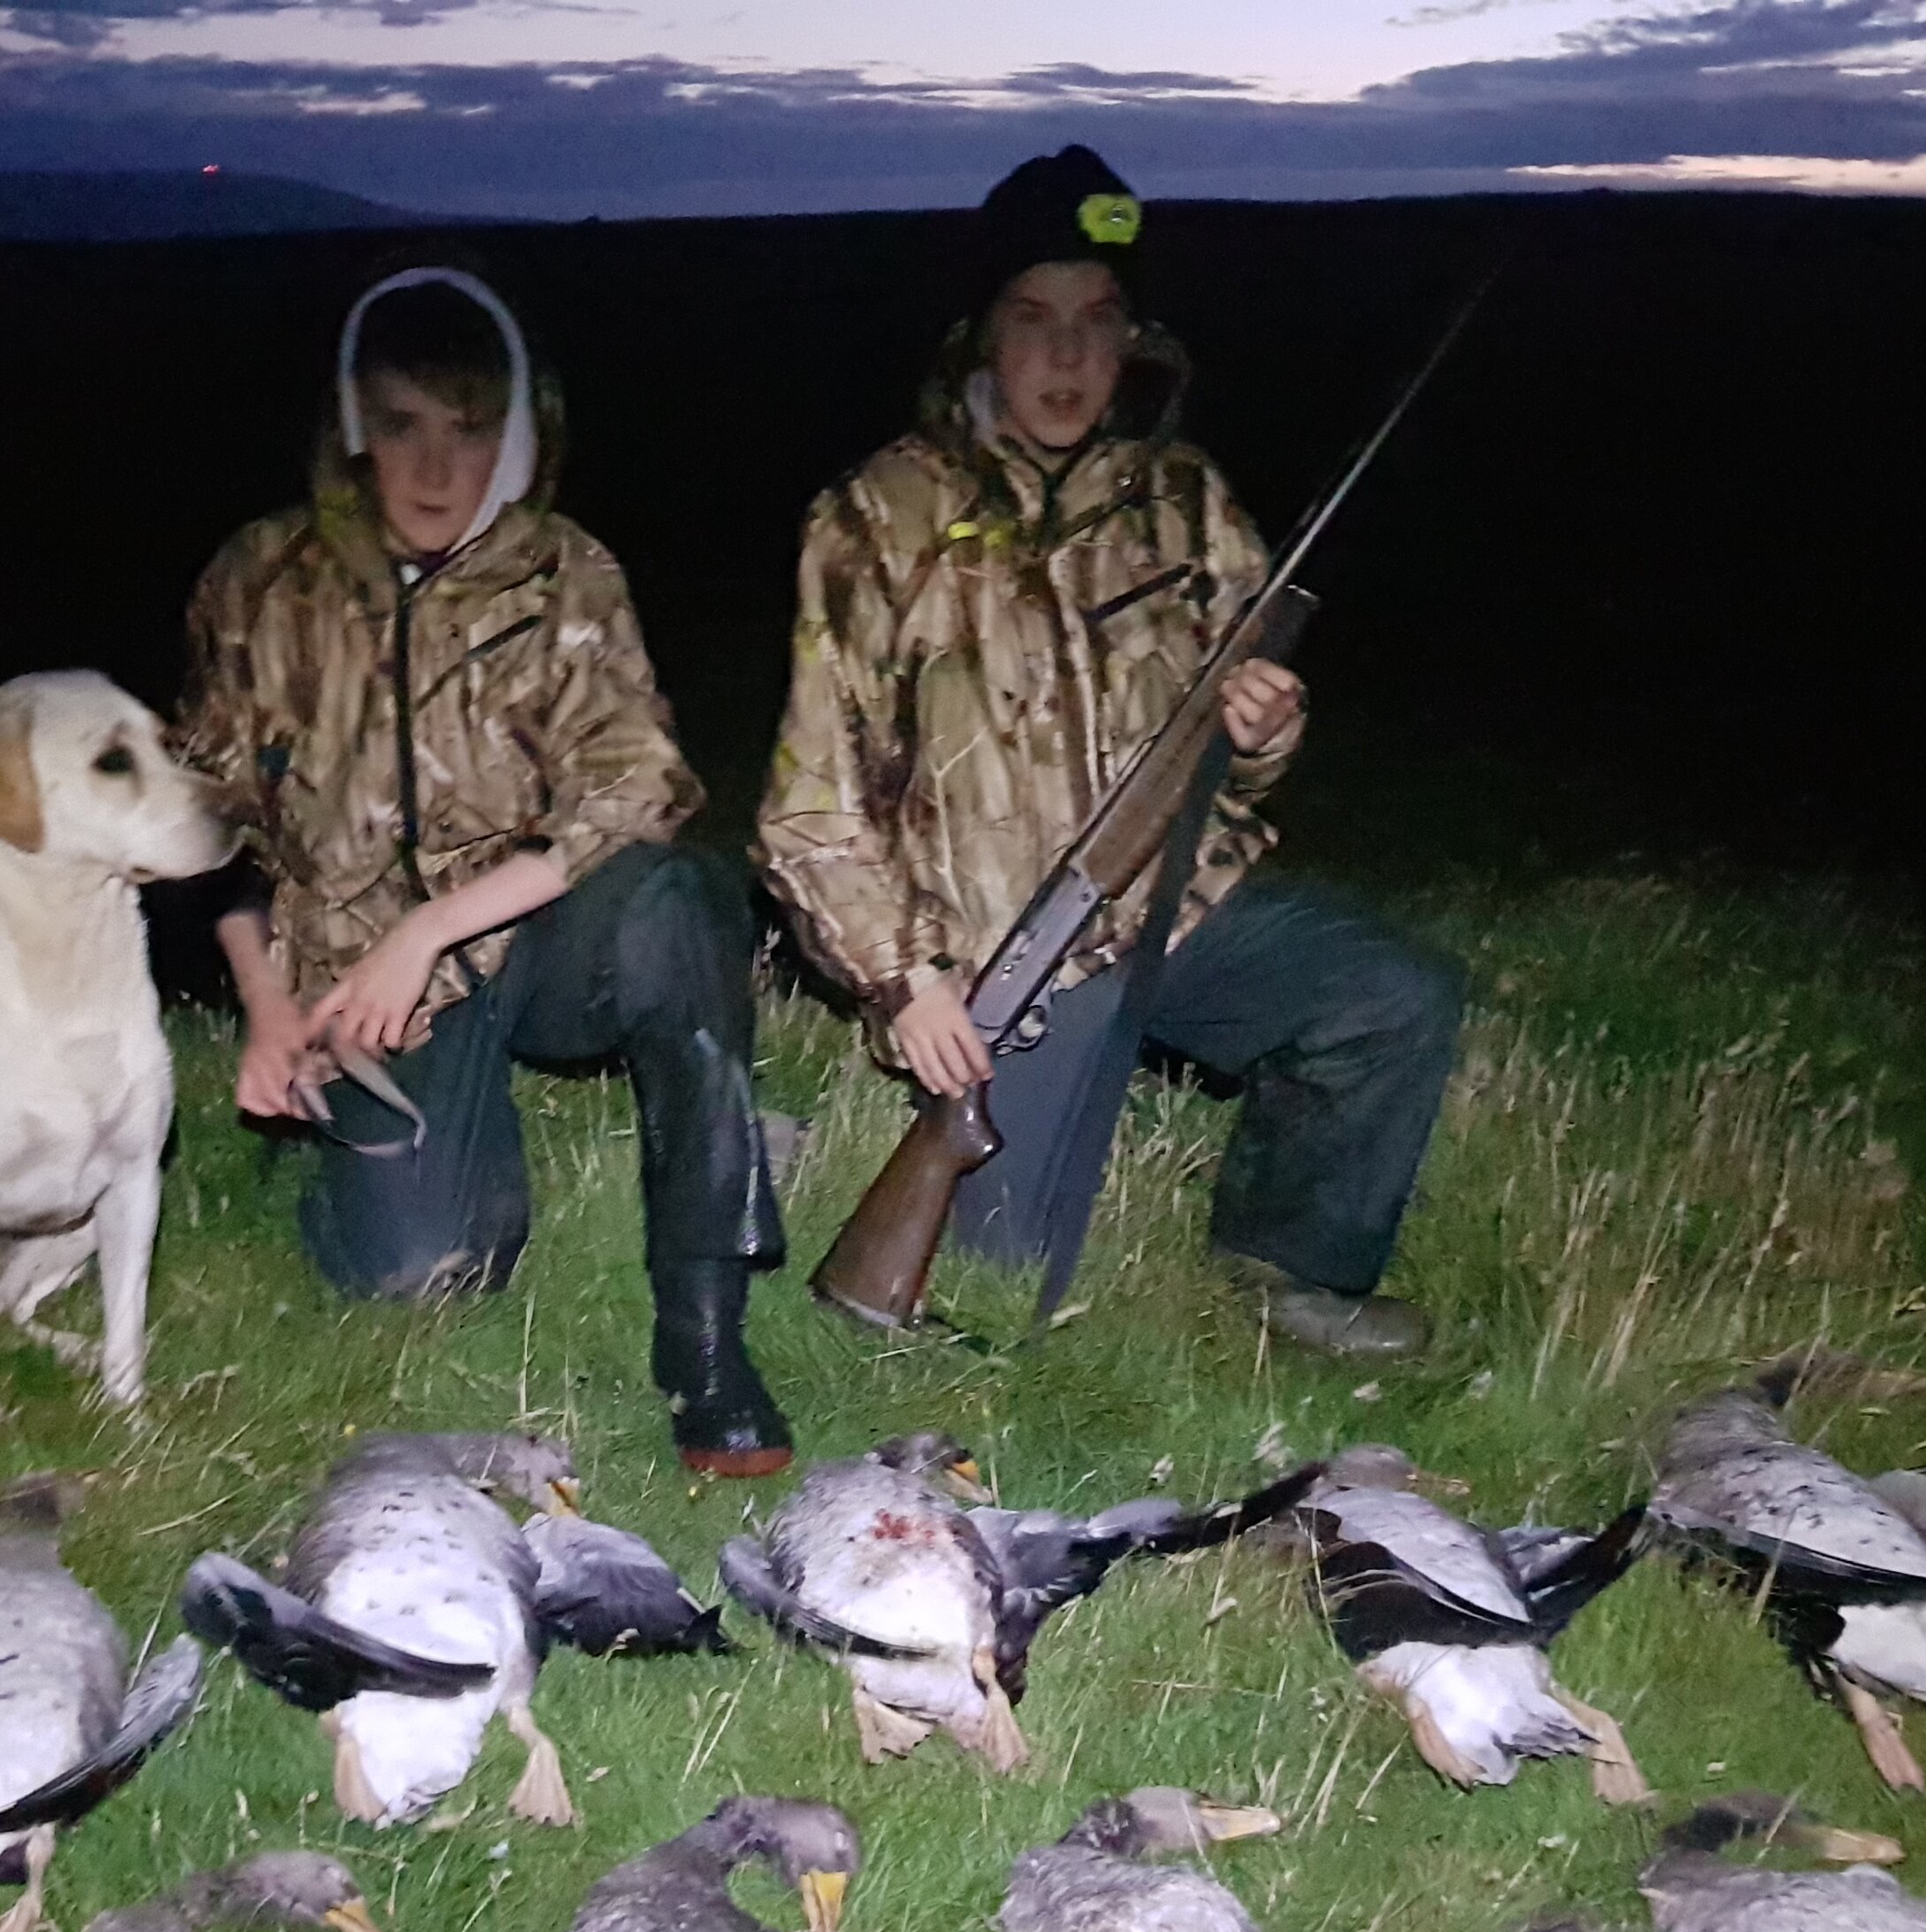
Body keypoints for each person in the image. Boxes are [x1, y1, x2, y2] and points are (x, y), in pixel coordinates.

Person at [759, 146, 1462, 1356]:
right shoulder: (876, 518)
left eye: (1098, 322)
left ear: (1134, 336)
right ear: (980, 337)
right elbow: (806, 809)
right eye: (1034, 320)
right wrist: (904, 980)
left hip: (1176, 917)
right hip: (997, 964)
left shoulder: (1187, 501)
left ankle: (1288, 1272)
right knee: (1000, 1292)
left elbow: (1240, 750)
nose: (1070, 358)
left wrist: (1264, 739)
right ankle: (816, 1151)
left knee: (1393, 996)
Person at [176, 263, 790, 1473]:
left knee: (680, 898)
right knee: (422, 1273)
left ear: (520, 433)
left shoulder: (568, 571)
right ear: (352, 425)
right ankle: (378, 1171)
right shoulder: (259, 582)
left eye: (471, 431)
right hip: (361, 983)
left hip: (537, 938)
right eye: (400, 427)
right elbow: (211, 825)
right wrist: (266, 1010)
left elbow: (642, 785)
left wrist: (434, 927)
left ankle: (707, 1333)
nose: (434, 470)